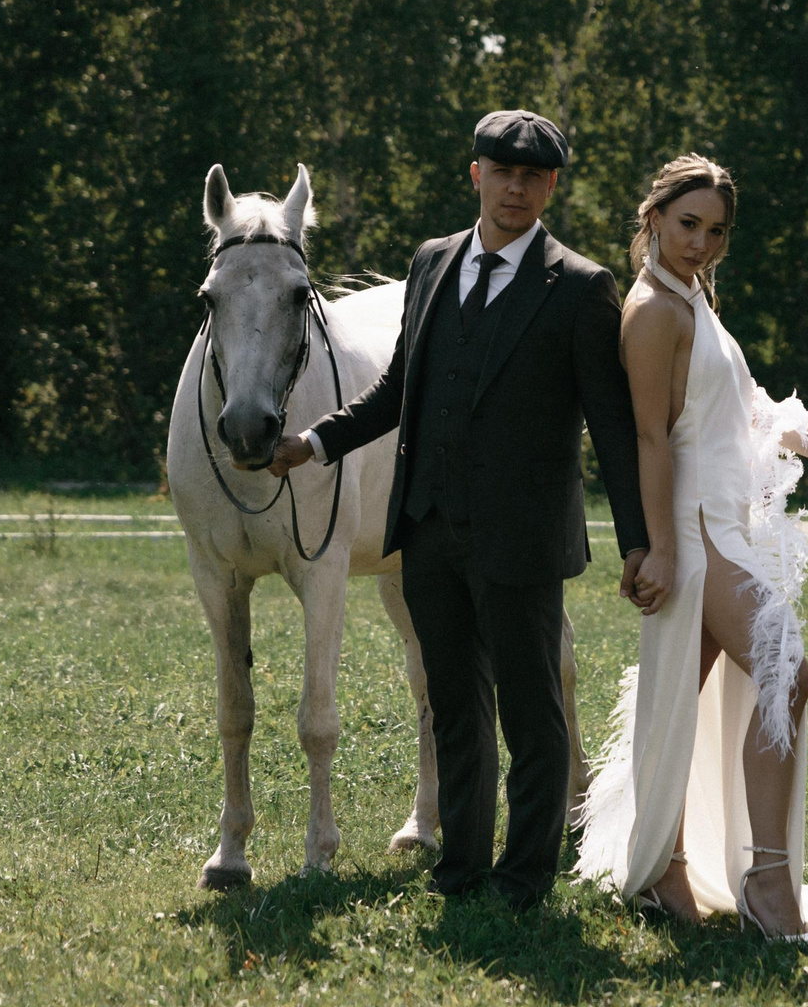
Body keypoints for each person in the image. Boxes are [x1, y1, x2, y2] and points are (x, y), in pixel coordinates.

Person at [266, 111, 648, 911]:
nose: (517, 187)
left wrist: (638, 542)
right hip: (429, 531)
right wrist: (317, 440)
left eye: (533, 175)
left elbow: (614, 428)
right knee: (454, 706)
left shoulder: (580, 286)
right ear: (475, 175)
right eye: (501, 171)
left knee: (532, 716)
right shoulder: (432, 261)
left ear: (551, 185)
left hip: (524, 537)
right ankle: (462, 868)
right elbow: (400, 383)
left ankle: (524, 878)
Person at [575, 154, 808, 941]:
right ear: (654, 217)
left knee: (678, 708)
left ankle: (663, 862)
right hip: (697, 533)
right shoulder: (653, 310)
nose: (702, 243)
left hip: (727, 526)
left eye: (717, 230)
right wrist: (660, 549)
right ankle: (765, 879)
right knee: (785, 675)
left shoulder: (694, 296)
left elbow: (754, 413)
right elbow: (650, 439)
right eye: (688, 224)